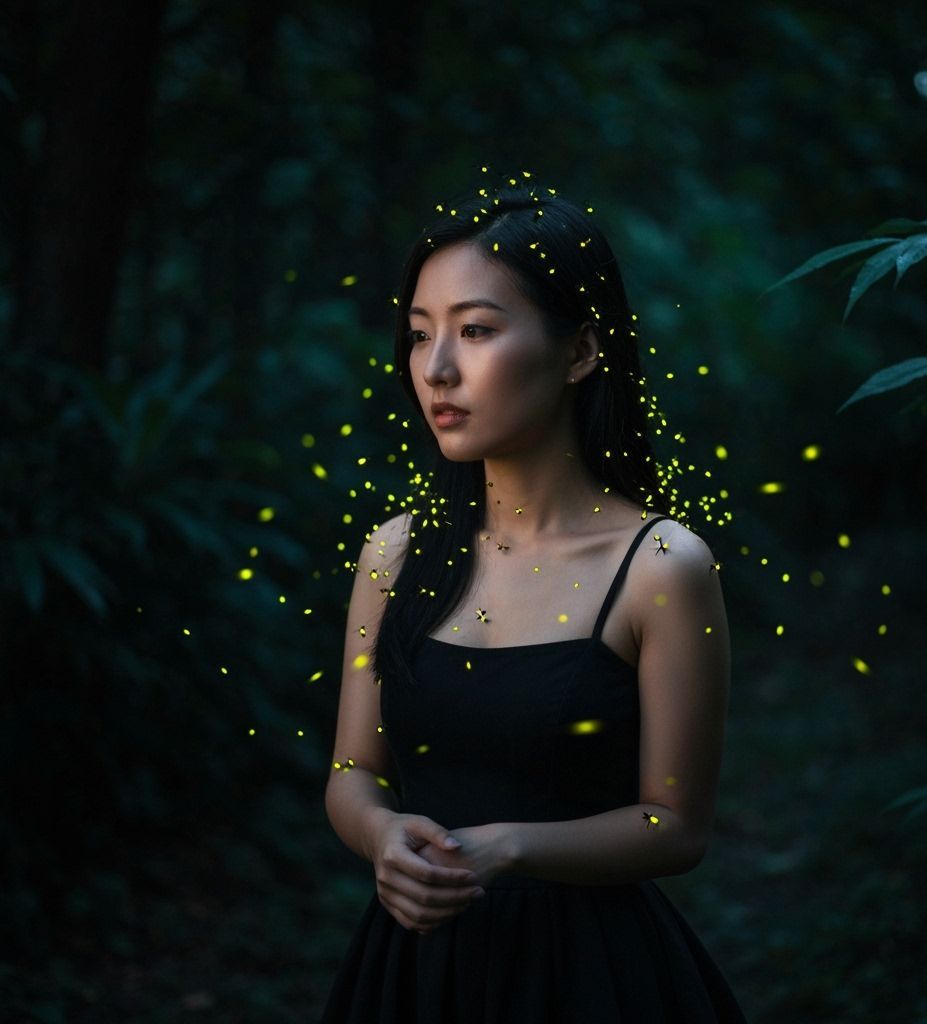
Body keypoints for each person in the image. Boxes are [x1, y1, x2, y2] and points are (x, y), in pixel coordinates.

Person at [320, 181, 746, 1023]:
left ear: (581, 351)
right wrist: (381, 837)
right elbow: (352, 771)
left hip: (590, 976)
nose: (436, 369)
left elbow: (677, 827)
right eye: (418, 336)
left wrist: (509, 847)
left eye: (476, 331)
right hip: (415, 968)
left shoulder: (663, 566)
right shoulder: (396, 552)